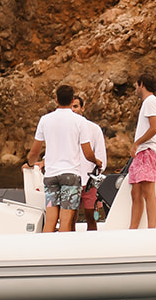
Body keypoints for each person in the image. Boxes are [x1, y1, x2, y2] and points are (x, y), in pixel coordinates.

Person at [27, 84, 99, 233]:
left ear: (56, 99)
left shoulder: (45, 119)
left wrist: (29, 163)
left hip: (51, 176)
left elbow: (35, 151)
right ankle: (61, 253)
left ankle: (46, 251)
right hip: (70, 176)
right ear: (72, 100)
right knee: (66, 222)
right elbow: (87, 152)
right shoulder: (79, 121)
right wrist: (96, 161)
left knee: (51, 220)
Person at [129, 73, 156, 229]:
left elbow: (154, 128)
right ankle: (133, 228)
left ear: (141, 84)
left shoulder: (150, 102)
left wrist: (137, 143)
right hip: (143, 152)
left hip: (148, 150)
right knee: (135, 192)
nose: (136, 88)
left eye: (137, 85)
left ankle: (152, 229)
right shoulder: (149, 103)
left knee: (148, 191)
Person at [71, 93, 107, 231]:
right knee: (70, 217)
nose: (73, 110)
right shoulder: (67, 129)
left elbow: (101, 157)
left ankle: (93, 245)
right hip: (71, 179)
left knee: (90, 216)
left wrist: (96, 175)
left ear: (83, 108)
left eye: (76, 106)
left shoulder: (94, 129)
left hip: (89, 181)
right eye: (70, 107)